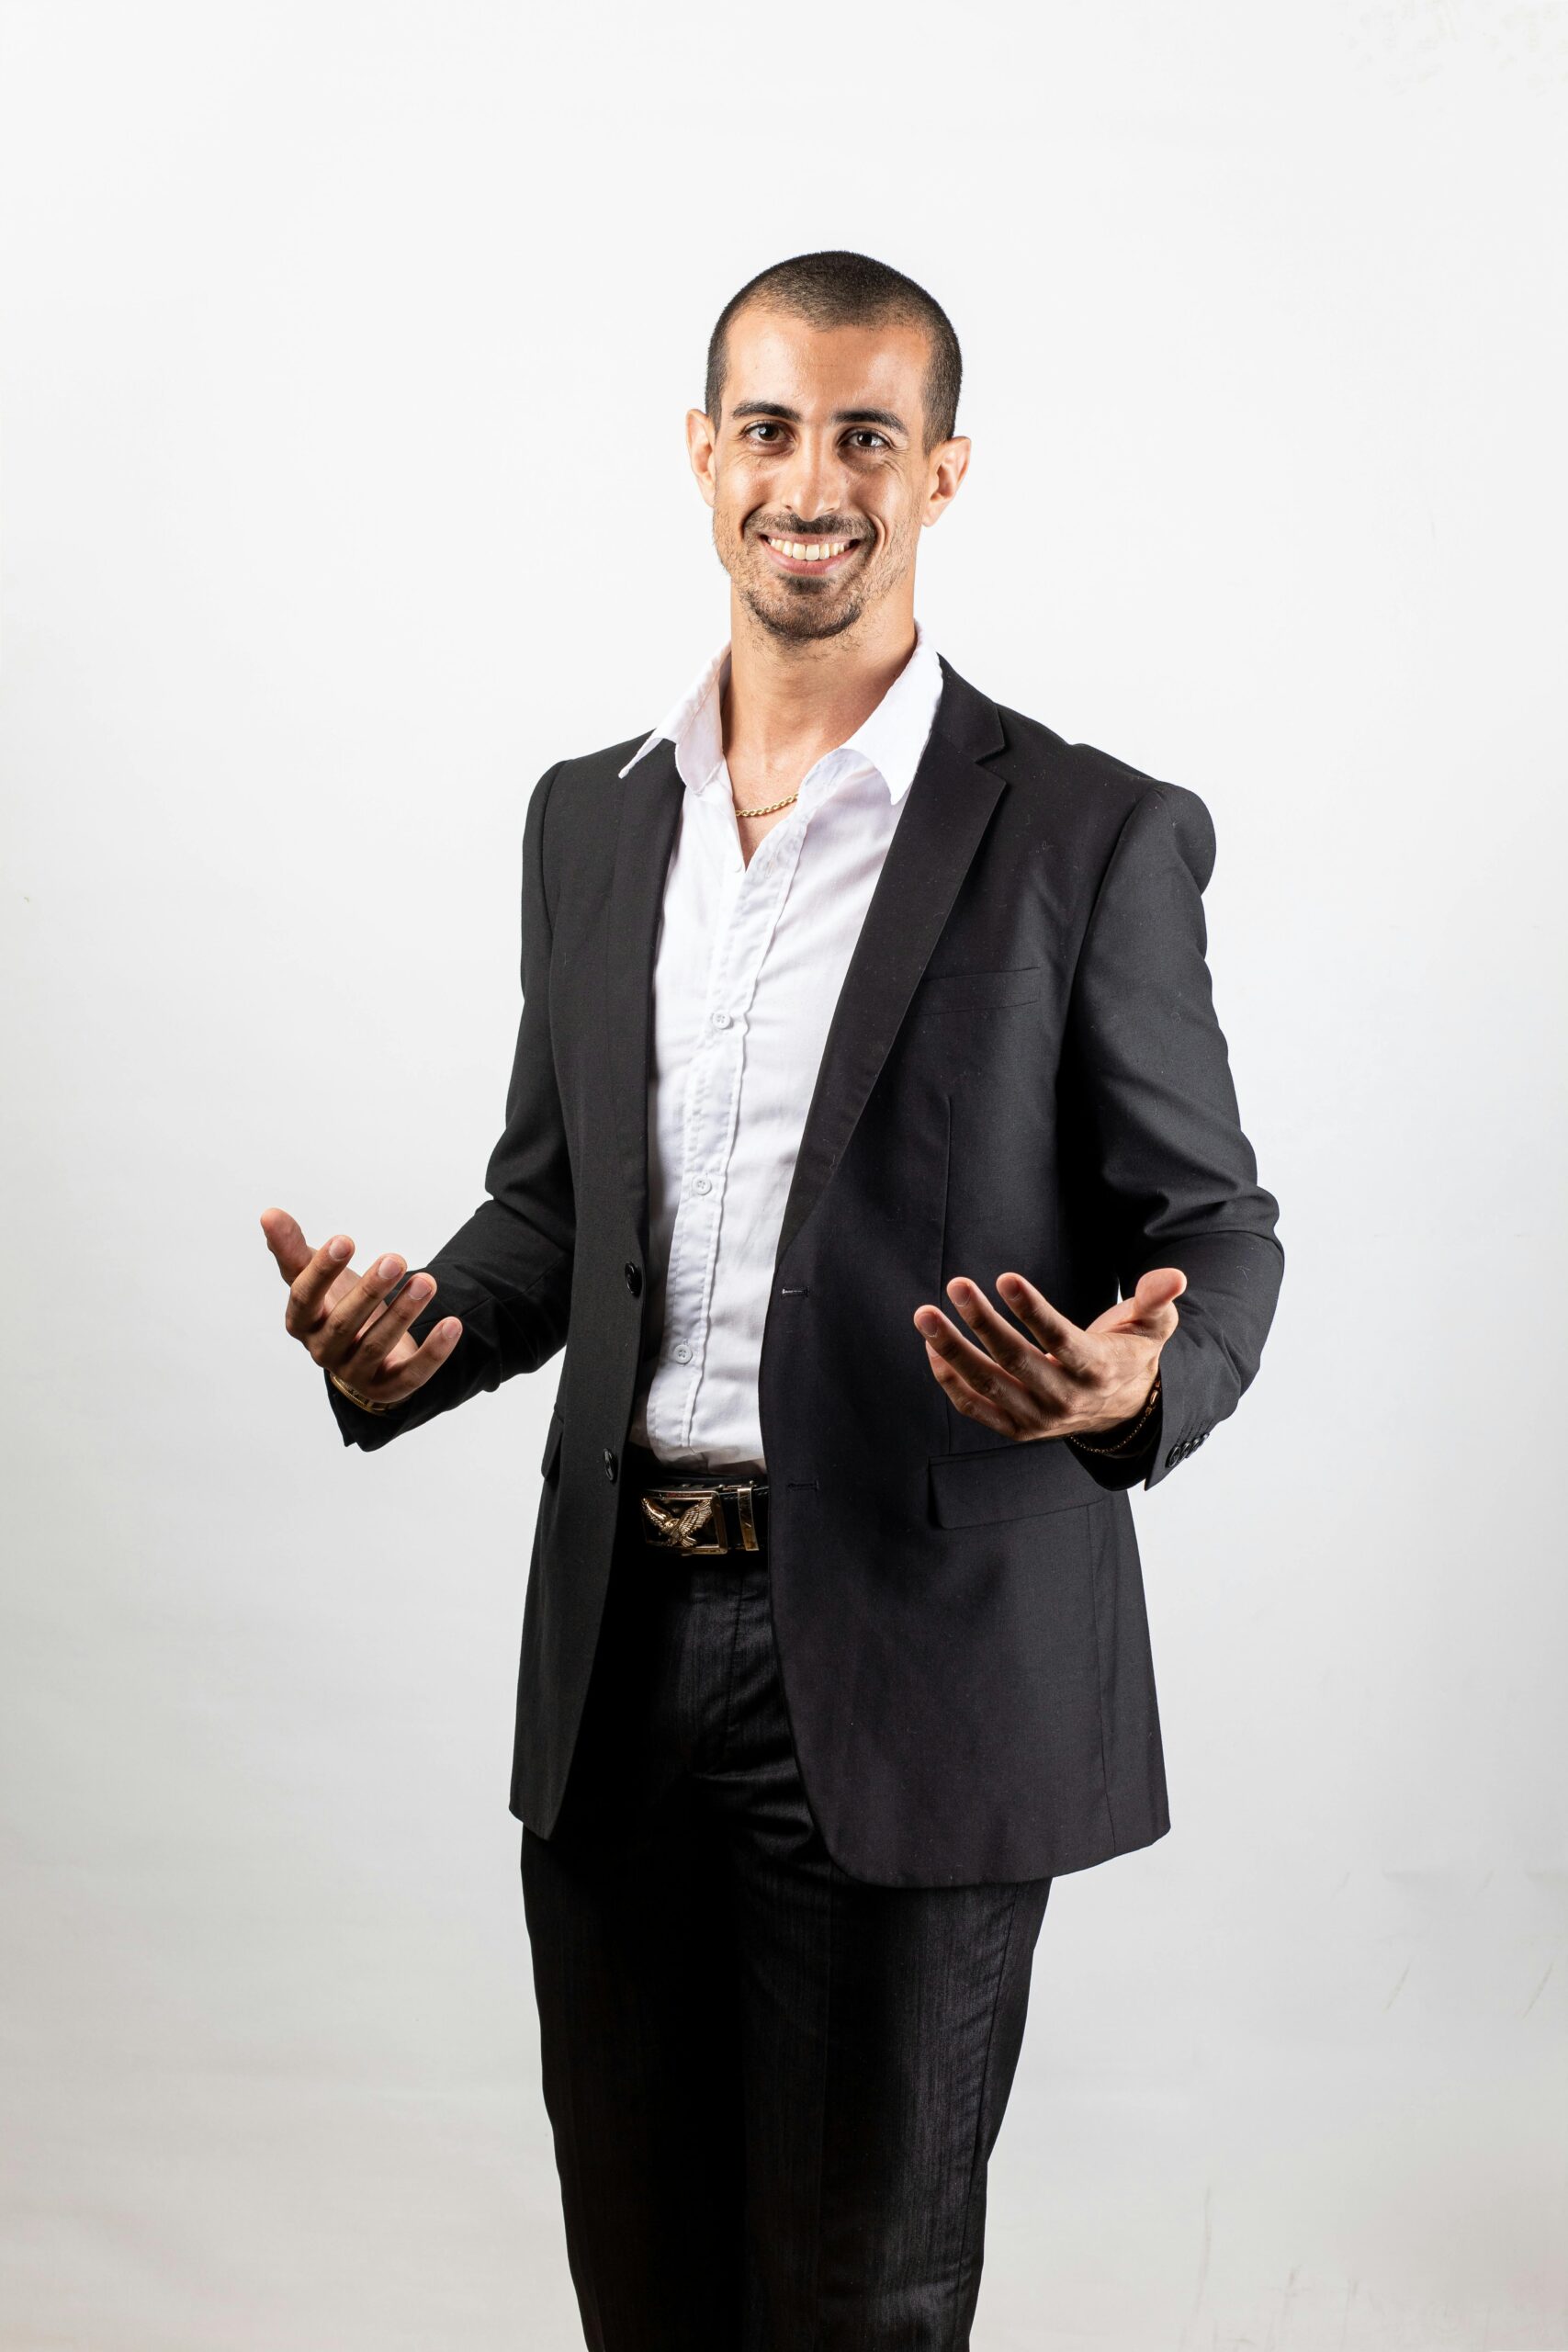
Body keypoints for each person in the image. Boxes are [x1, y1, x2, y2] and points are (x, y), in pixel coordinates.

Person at [260, 248, 1283, 2350]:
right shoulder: (587, 820)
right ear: (700, 454)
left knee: (858, 2302)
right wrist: (415, 1331)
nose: (808, 481)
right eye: (768, 427)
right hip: (622, 1655)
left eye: (863, 437)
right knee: (643, 2286)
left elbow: (1218, 1220)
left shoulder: (1081, 831)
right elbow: (549, 1218)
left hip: (915, 1669)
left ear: (939, 472)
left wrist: (1119, 1389)